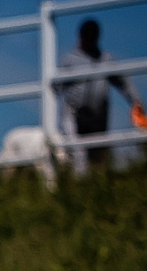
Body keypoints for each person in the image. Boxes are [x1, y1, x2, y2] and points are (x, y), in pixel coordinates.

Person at [57, 17, 133, 172]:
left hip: (98, 115)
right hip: (74, 113)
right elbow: (56, 88)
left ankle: (97, 186)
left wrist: (136, 101)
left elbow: (123, 83)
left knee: (98, 154)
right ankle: (80, 186)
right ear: (80, 36)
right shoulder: (69, 59)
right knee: (78, 155)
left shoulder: (106, 59)